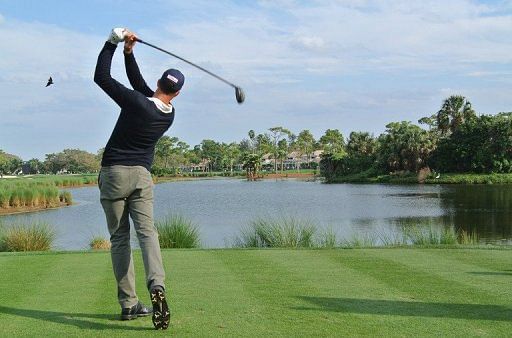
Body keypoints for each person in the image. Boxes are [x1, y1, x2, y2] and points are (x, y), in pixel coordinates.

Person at [94, 27, 184, 330]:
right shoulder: (168, 113)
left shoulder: (137, 103)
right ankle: (157, 286)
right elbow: (141, 87)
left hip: (115, 174)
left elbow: (102, 78)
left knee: (120, 239)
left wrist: (111, 43)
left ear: (159, 82)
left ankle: (129, 304)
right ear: (177, 93)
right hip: (142, 178)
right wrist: (129, 53)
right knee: (148, 234)